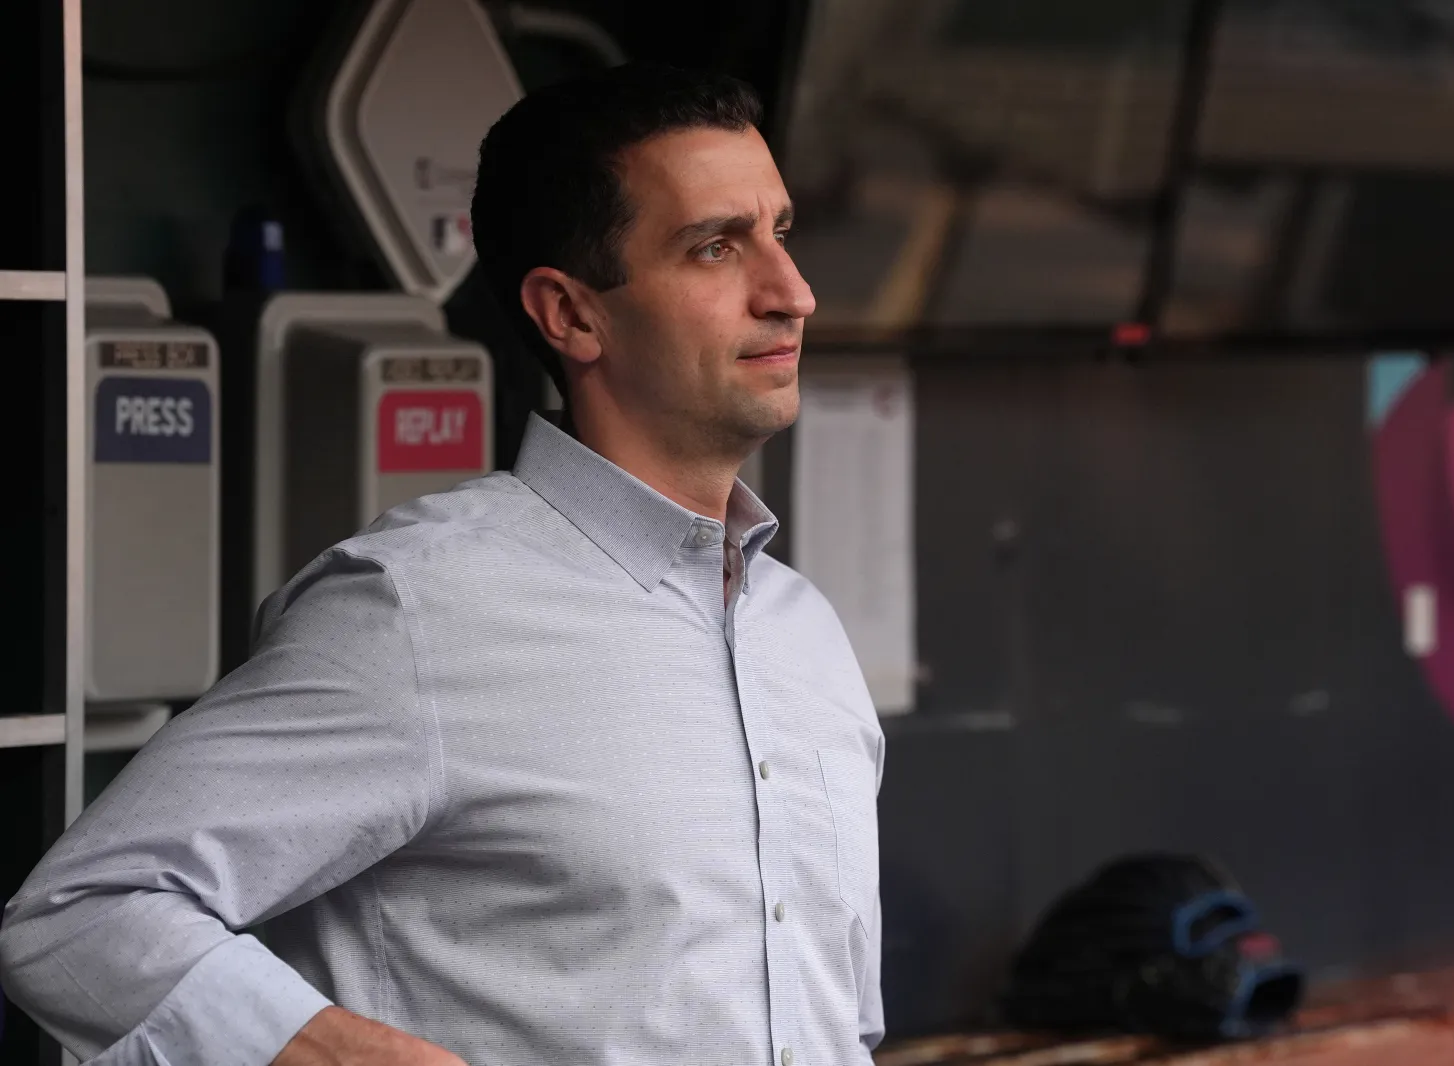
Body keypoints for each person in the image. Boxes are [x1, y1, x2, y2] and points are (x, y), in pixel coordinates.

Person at [0, 64, 885, 1066]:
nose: (792, 293)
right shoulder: (416, 608)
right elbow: (79, 916)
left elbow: (836, 1023)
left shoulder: (804, 633)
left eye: (782, 232)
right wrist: (327, 1049)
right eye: (716, 247)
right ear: (571, 315)